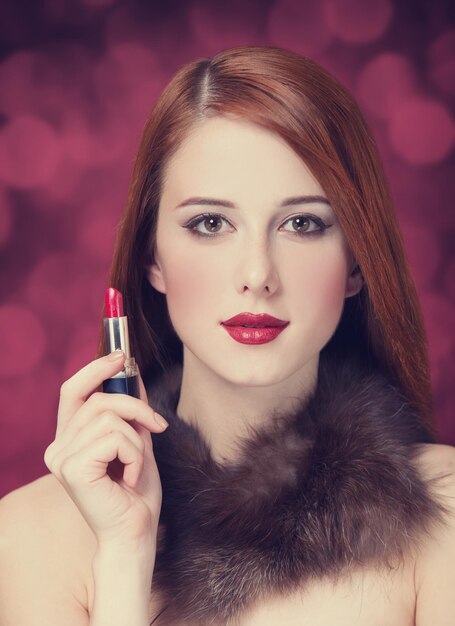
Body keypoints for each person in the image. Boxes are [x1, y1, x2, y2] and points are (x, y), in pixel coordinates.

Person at [1, 45, 454, 626]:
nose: (257, 276)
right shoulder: (30, 536)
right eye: (210, 223)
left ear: (357, 263)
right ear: (151, 258)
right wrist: (123, 556)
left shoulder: (442, 508)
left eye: (302, 223)